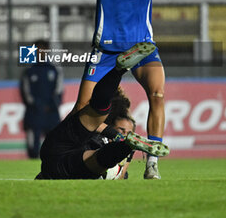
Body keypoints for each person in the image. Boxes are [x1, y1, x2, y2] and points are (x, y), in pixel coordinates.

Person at [46, 0, 215, 179]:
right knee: (82, 109)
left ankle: (152, 164)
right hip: (105, 51)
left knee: (157, 95)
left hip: (142, 48)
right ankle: (82, 155)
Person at [35, 42, 169, 180]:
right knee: (99, 158)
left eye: (125, 132)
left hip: (60, 150)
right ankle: (126, 146)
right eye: (122, 130)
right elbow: (120, 174)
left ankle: (119, 70)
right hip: (71, 163)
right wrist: (124, 146)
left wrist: (119, 138)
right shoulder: (103, 138)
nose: (122, 133)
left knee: (98, 111)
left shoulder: (101, 132)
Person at [20, 40, 63, 158]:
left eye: (43, 49)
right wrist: (38, 105)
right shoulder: (29, 71)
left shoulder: (54, 70)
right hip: (34, 114)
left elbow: (58, 91)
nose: (40, 52)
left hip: (51, 114)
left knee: (54, 148)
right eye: (37, 50)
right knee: (33, 150)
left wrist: (52, 105)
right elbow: (26, 93)